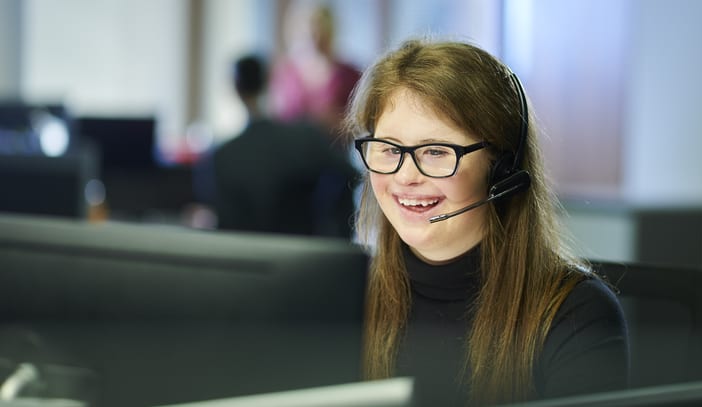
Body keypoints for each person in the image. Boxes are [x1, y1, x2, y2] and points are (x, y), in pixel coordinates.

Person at [344, 38, 630, 406]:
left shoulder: (575, 316)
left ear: (501, 170)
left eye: (435, 151)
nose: (405, 177)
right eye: (389, 149)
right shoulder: (344, 297)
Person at [194, 54, 358, 237]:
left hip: (241, 258)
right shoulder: (305, 139)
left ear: (235, 88)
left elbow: (217, 217)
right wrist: (333, 237)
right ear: (268, 81)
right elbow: (351, 175)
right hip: (304, 256)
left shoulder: (221, 157)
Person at [269, 2, 361, 144]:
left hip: (334, 156)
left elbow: (360, 124)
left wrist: (329, 121)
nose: (314, 33)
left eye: (319, 26)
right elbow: (277, 119)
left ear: (330, 29)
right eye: (307, 26)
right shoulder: (286, 74)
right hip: (293, 154)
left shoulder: (349, 75)